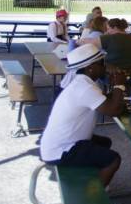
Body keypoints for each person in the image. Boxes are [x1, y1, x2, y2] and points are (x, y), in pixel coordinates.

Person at [39, 45, 125, 186]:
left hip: (59, 144)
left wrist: (115, 88)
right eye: (102, 63)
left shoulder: (82, 83)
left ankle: (91, 179)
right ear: (90, 68)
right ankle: (94, 201)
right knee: (113, 159)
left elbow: (105, 100)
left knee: (104, 143)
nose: (106, 66)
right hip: (61, 150)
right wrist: (119, 85)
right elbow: (113, 110)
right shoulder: (84, 88)